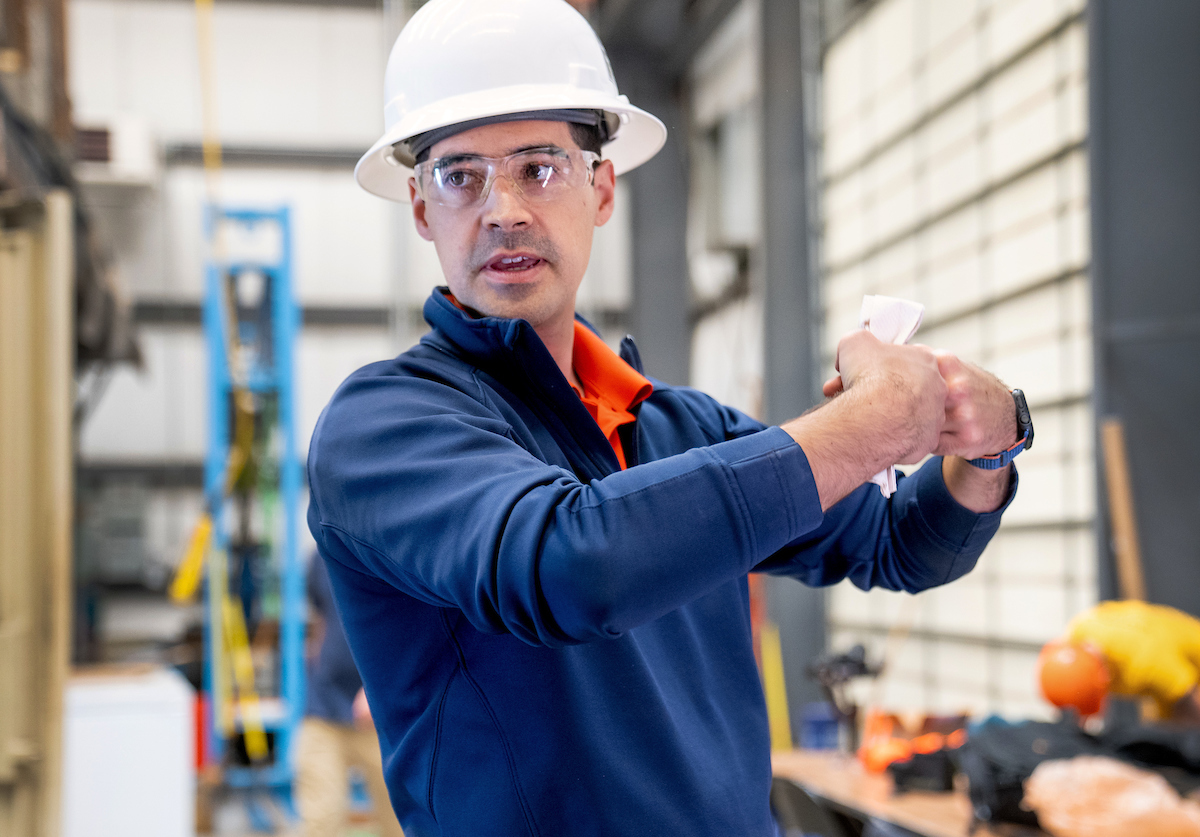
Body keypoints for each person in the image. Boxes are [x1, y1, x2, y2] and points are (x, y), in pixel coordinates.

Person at [306, 1, 1030, 833]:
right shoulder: (382, 424)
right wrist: (872, 423)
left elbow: (900, 543)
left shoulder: (674, 427)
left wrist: (988, 440)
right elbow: (571, 567)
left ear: (602, 187)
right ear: (423, 210)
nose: (502, 208)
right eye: (460, 174)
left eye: (539, 167)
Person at [295, 555, 404, 837]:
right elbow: (323, 615)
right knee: (321, 820)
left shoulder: (392, 551)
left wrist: (377, 686)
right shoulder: (320, 558)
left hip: (382, 714)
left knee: (402, 821)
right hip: (324, 706)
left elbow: (416, 630)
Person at [1038, 600, 1200, 723]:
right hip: (1169, 691)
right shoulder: (1080, 633)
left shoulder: (1144, 661)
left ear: (1104, 677)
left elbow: (1192, 699)